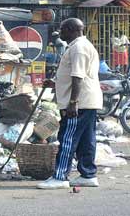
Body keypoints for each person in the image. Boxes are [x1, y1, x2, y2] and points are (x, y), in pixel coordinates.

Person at [37, 18, 103, 189]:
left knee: (68, 138)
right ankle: (88, 174)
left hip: (79, 103)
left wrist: (73, 102)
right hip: (88, 101)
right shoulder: (79, 46)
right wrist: (54, 84)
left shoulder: (79, 48)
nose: (61, 33)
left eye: (63, 30)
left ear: (71, 30)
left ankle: (60, 177)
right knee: (86, 139)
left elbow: (78, 77)